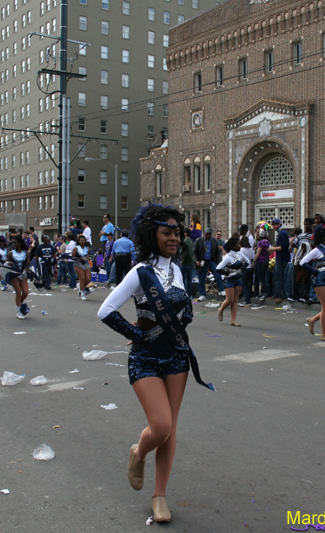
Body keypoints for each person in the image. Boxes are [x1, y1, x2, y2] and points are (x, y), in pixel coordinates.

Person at [96, 202, 214, 524]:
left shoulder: (178, 270)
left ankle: (159, 495)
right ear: (153, 235)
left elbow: (185, 310)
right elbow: (105, 310)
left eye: (177, 231)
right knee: (160, 426)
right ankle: (138, 453)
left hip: (176, 357)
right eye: (167, 232)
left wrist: (181, 317)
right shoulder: (139, 272)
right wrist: (135, 333)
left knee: (171, 428)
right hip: (145, 358)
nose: (174, 237)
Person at [301, 227, 325, 342]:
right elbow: (302, 262)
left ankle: (312, 320)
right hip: (319, 280)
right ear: (321, 238)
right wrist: (314, 271)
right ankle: (324, 334)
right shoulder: (317, 250)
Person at [215, 237, 250, 326]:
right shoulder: (228, 257)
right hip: (229, 279)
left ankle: (233, 320)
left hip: (238, 278)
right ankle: (221, 309)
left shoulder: (240, 254)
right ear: (233, 246)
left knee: (235, 300)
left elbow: (248, 261)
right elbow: (218, 268)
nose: (239, 245)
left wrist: (242, 268)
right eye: (238, 244)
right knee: (230, 300)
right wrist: (226, 273)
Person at [194, 227, 224, 301]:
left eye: (209, 234)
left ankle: (221, 290)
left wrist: (219, 262)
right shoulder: (199, 241)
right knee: (201, 278)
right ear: (204, 233)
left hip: (211, 260)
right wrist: (196, 261)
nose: (208, 236)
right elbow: (194, 252)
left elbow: (218, 252)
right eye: (207, 234)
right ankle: (202, 294)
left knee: (217, 274)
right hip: (202, 261)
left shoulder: (214, 241)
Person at [6, 236, 32, 318]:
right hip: (14, 274)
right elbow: (5, 263)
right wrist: (9, 263)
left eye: (15, 243)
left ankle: (18, 305)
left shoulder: (26, 253)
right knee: (18, 292)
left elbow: (28, 264)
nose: (14, 244)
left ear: (20, 244)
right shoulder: (11, 253)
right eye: (13, 243)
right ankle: (19, 311)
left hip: (23, 274)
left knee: (25, 292)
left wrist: (27, 269)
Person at [269, 218, 290, 304]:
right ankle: (277, 293)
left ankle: (282, 296)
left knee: (279, 277)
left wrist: (273, 248)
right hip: (280, 257)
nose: (273, 226)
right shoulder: (280, 233)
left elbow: (283, 247)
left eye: (275, 224)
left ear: (278, 224)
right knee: (276, 276)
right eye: (273, 224)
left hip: (282, 258)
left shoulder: (282, 233)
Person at [71, 235, 93, 300]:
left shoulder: (87, 248)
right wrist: (78, 258)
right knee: (82, 278)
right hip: (78, 264)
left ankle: (80, 286)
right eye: (81, 240)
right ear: (78, 241)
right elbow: (73, 257)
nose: (82, 241)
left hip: (86, 264)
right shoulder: (76, 248)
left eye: (83, 240)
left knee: (88, 279)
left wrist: (89, 257)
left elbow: (91, 255)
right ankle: (82, 293)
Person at [253, 230, 271, 301]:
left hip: (260, 261)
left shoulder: (260, 243)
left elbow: (258, 253)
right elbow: (270, 251)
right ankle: (265, 292)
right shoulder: (268, 242)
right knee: (264, 277)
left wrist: (254, 261)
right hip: (266, 261)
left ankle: (263, 292)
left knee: (260, 278)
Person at [239, 233, 255, 307]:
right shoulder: (251, 249)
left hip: (244, 268)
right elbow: (253, 258)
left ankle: (247, 299)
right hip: (250, 268)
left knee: (244, 284)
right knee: (249, 284)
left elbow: (240, 259)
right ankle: (249, 296)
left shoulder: (241, 249)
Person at [179, 229, 196, 297]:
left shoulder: (186, 242)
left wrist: (181, 261)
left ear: (185, 233)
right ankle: (188, 294)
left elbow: (185, 253)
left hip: (186, 263)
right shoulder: (191, 241)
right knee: (189, 280)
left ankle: (183, 294)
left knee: (182, 278)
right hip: (191, 262)